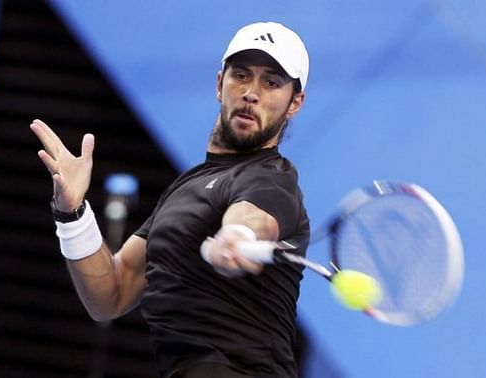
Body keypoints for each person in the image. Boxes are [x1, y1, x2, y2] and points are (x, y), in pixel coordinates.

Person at [30, 21, 310, 378]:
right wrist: (72, 214)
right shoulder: (186, 187)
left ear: (294, 103)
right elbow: (110, 294)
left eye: (271, 82)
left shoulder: (272, 180)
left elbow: (254, 218)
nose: (251, 92)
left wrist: (238, 237)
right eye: (241, 75)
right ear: (219, 83)